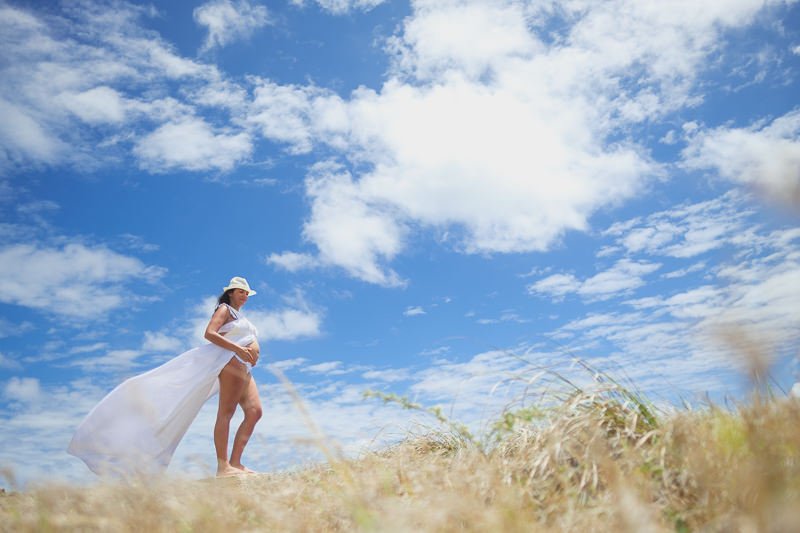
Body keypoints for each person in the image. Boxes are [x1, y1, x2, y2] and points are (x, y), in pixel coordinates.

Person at [68, 276, 264, 478]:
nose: (245, 296)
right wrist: (238, 349)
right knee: (226, 412)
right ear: (231, 292)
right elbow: (209, 333)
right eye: (241, 291)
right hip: (230, 360)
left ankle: (236, 462)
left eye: (247, 293)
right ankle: (223, 467)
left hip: (245, 366)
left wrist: (247, 353)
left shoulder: (241, 318)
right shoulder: (224, 309)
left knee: (255, 411)